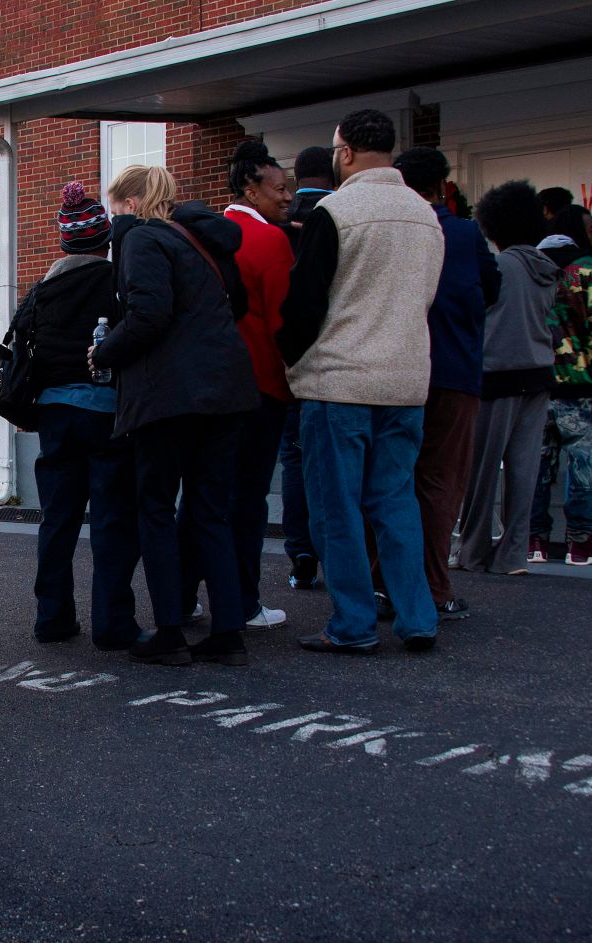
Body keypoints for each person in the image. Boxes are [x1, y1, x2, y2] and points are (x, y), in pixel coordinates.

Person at [276, 109, 442, 654]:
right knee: (396, 500)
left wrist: (290, 361)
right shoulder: (425, 215)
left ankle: (352, 624)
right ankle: (417, 617)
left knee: (338, 508)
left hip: (339, 378)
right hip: (406, 377)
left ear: (343, 152)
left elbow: (305, 301)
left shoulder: (336, 211)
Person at [89, 164, 259, 666]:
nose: (112, 218)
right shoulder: (204, 240)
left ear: (134, 203)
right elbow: (239, 305)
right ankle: (229, 629)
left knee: (157, 509)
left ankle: (169, 631)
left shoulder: (144, 241)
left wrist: (105, 353)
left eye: (115, 207)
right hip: (226, 391)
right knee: (210, 511)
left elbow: (149, 314)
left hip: (168, 396)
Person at [26, 181, 142, 651]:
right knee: (112, 520)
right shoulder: (116, 282)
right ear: (103, 239)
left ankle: (52, 618)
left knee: (58, 520)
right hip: (105, 413)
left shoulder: (44, 288)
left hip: (54, 414)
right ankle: (113, 624)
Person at [390, 147, 501, 619]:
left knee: (390, 478)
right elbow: (491, 288)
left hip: (394, 365)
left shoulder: (392, 231)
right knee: (440, 483)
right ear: (443, 185)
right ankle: (434, 585)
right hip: (453, 368)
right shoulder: (462, 232)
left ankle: (382, 581)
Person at [458, 182, 557, 575]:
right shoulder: (546, 269)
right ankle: (513, 552)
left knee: (482, 470)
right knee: (523, 469)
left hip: (497, 373)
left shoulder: (500, 267)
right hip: (537, 374)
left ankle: (473, 548)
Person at [220, 140, 293, 630]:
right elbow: (284, 324)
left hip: (208, 390)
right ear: (251, 187)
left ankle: (186, 595)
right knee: (247, 501)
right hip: (262, 386)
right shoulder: (271, 243)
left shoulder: (201, 234)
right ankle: (243, 601)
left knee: (209, 499)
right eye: (280, 188)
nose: (287, 197)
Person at [531, 213, 592, 565]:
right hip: (583, 385)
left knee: (535, 466)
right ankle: (581, 544)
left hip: (535, 383)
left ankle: (533, 540)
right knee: (583, 465)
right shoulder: (591, 269)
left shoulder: (526, 270)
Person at [279, 146, 334, 591]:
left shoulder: (280, 223)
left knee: (295, 459)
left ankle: (300, 554)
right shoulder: (339, 217)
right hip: (337, 360)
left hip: (287, 360)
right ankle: (340, 557)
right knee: (336, 465)